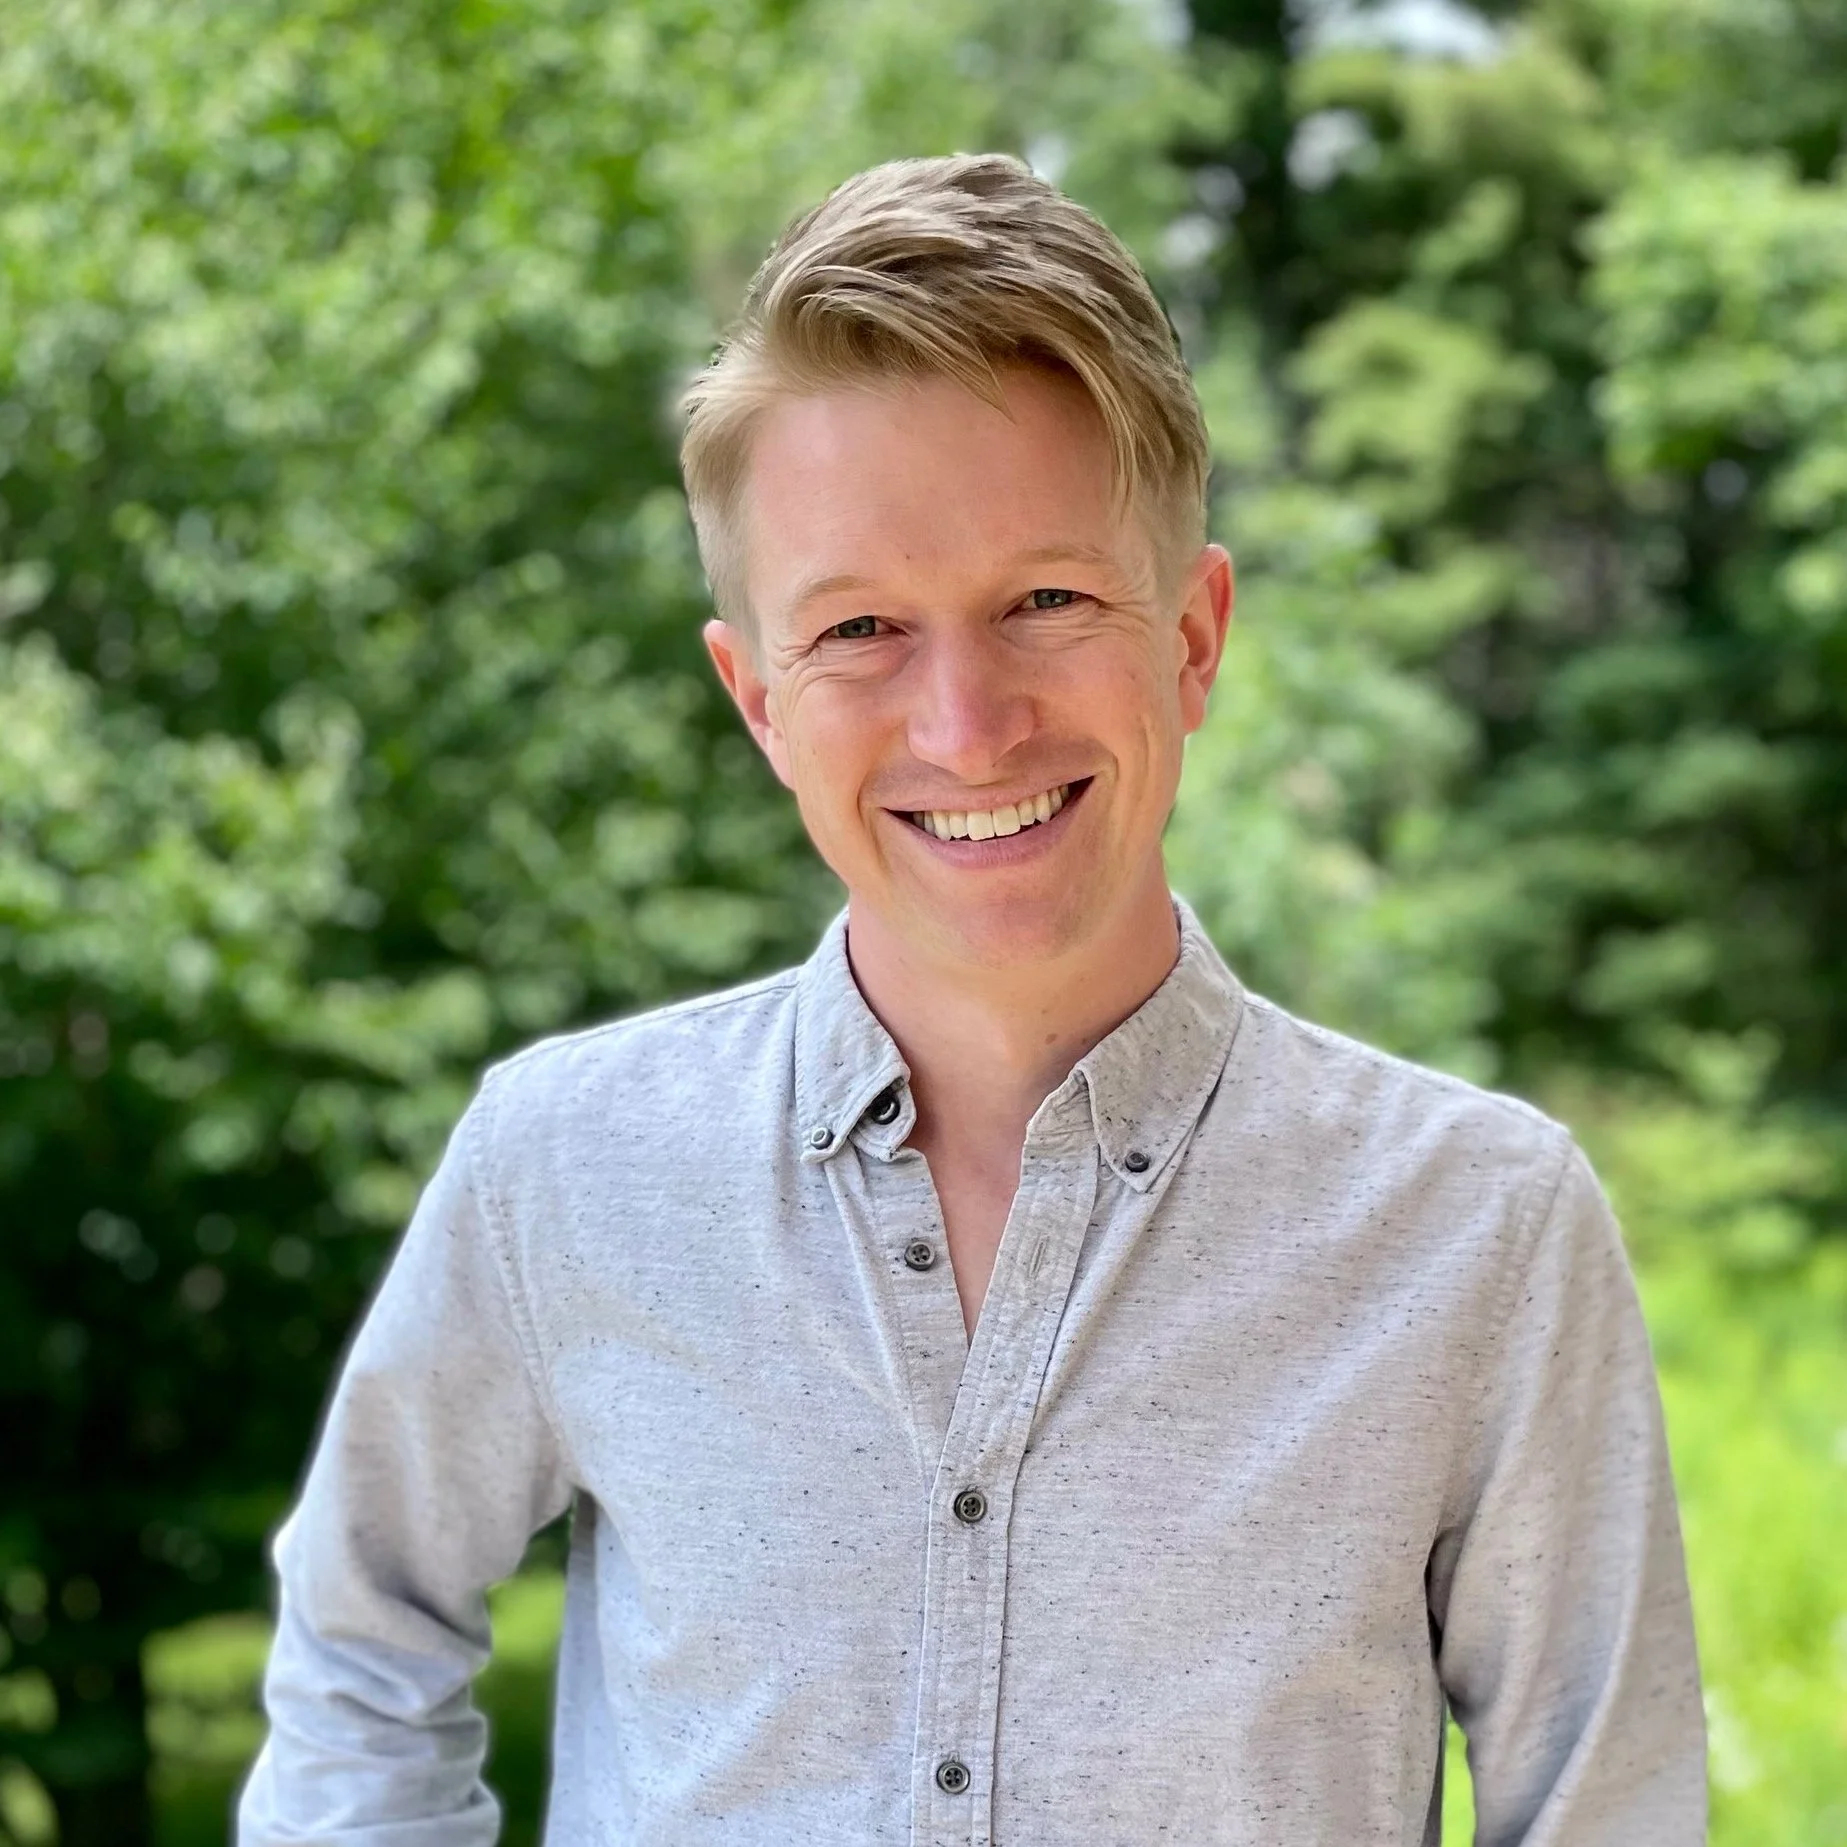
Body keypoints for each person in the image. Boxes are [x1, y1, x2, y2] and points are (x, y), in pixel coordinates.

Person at [237, 153, 1705, 1846]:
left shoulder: (1482, 1229)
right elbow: (362, 1635)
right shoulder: (562, 1165)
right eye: (860, 626)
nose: (964, 723)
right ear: (758, 700)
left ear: (1194, 638)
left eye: (1047, 600)